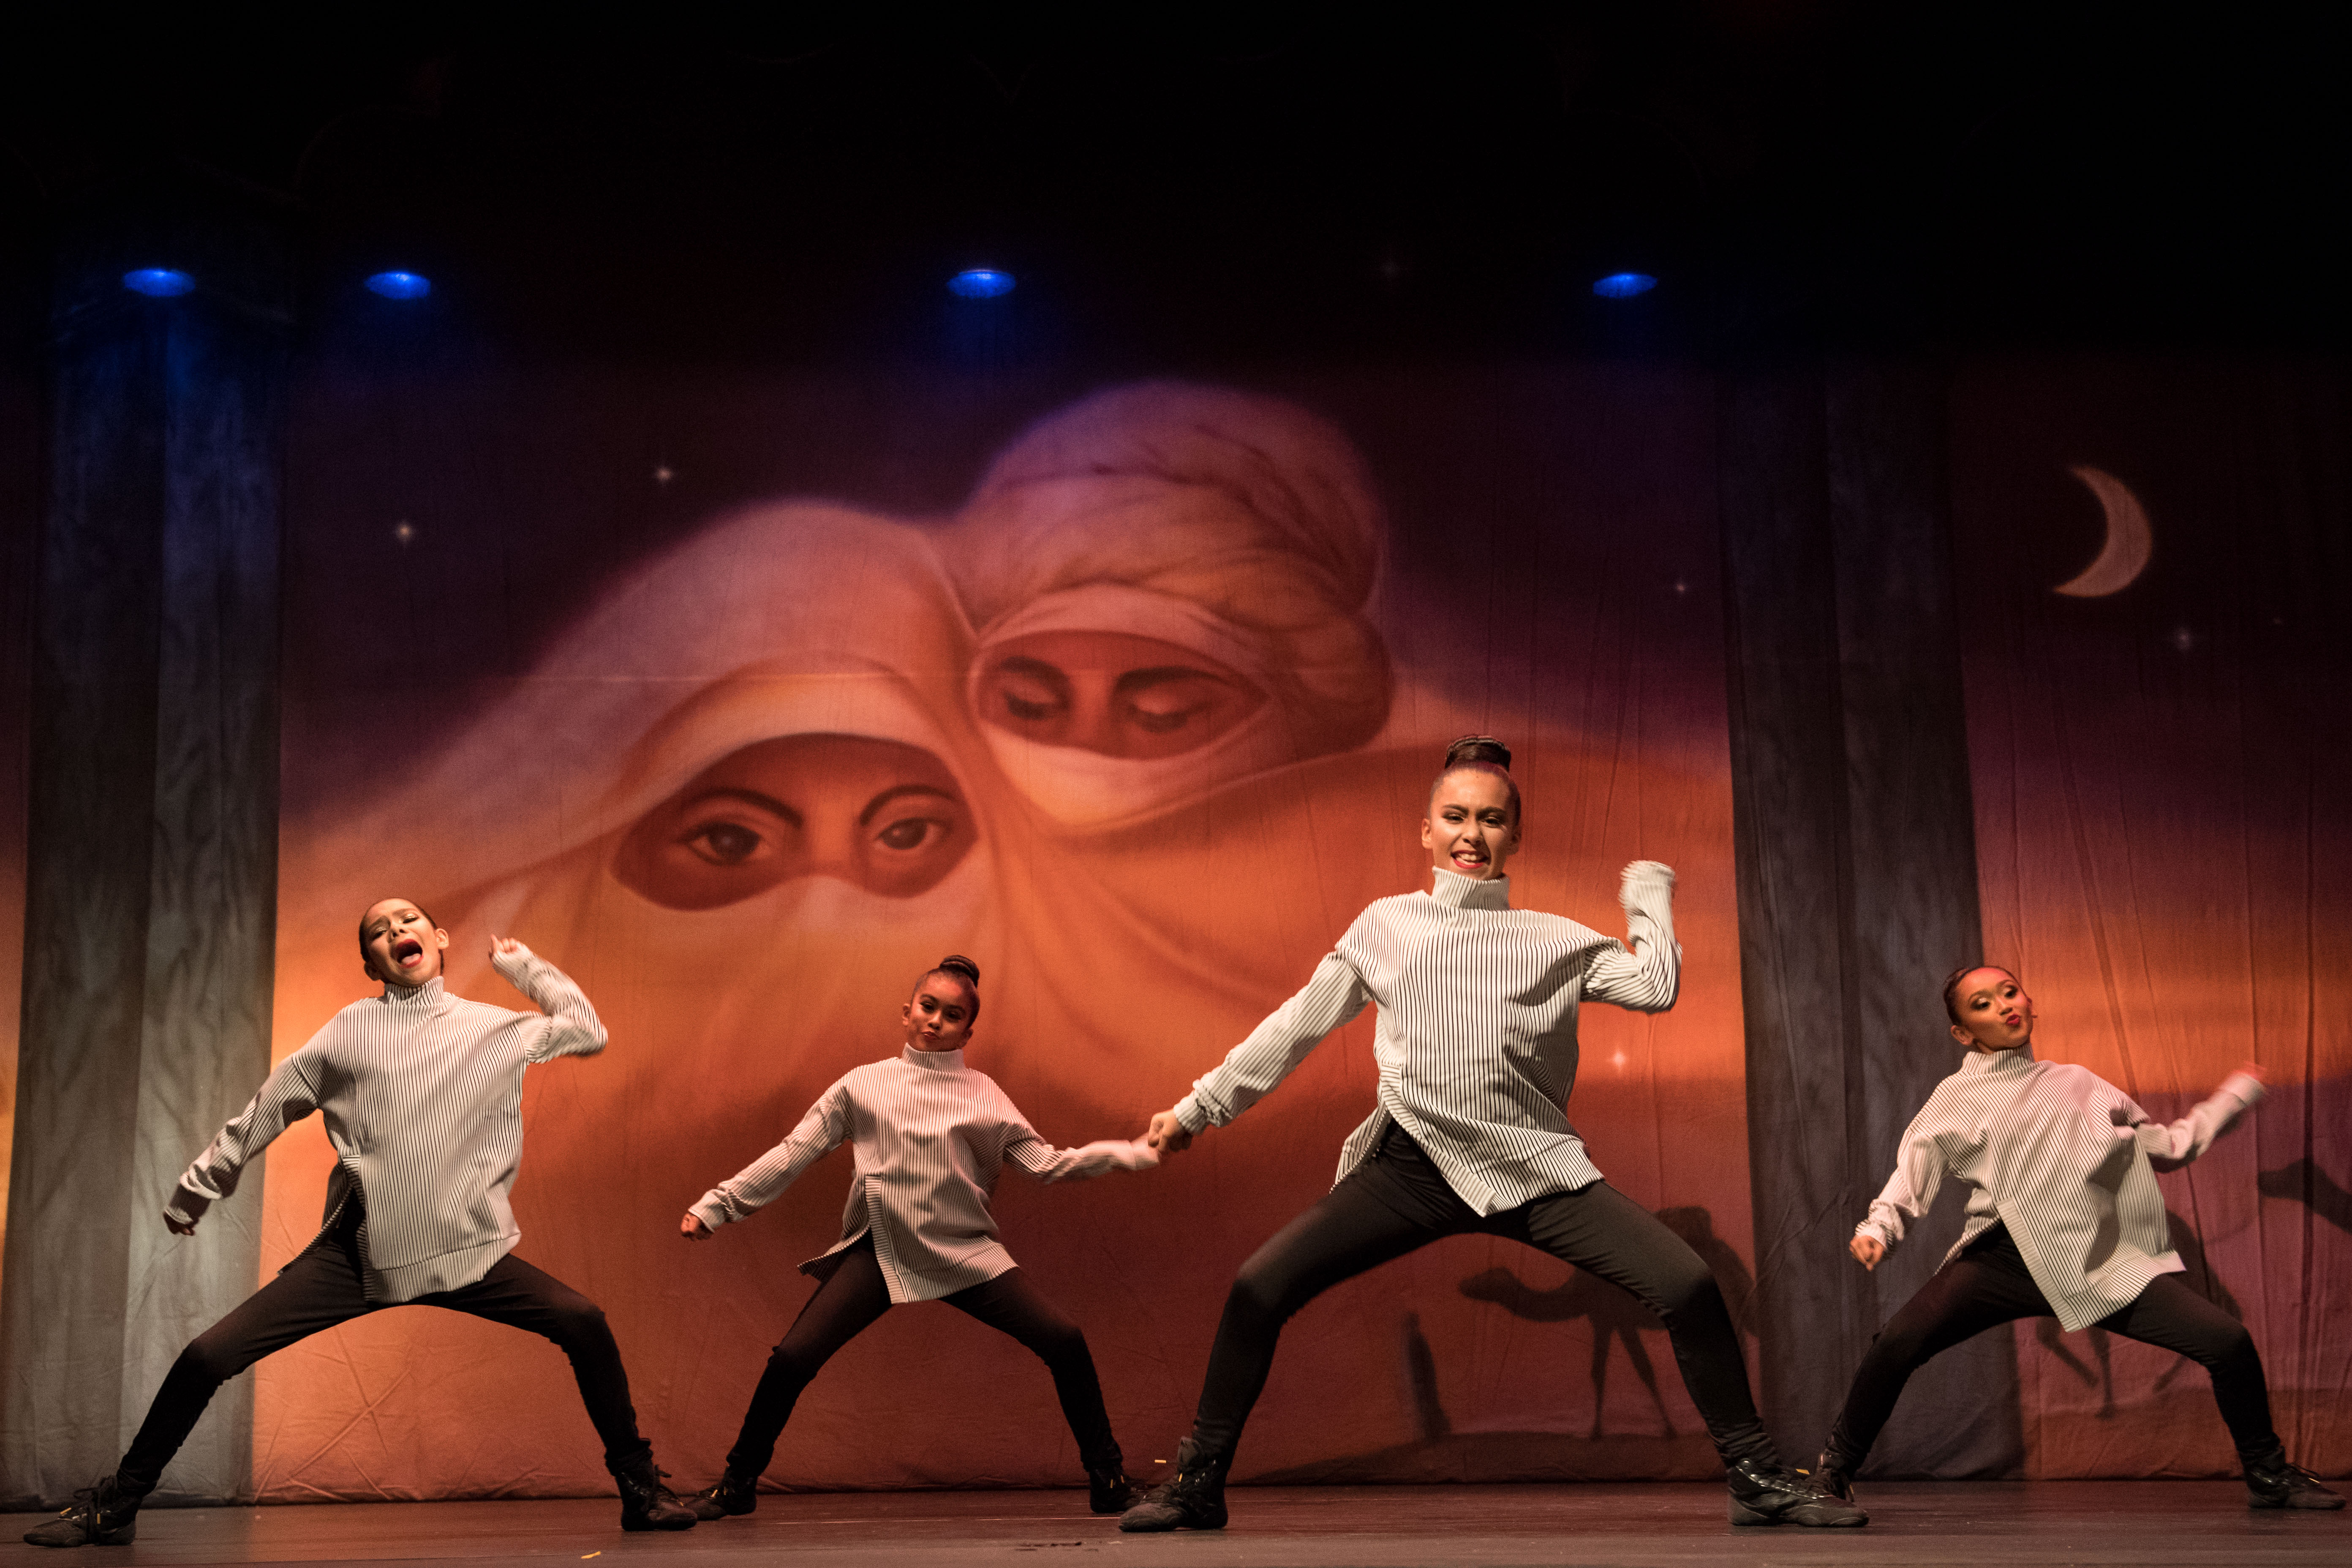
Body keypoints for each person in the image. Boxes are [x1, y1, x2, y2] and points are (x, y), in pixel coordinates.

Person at [1119, 736, 1864, 1533]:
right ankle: (1197, 1483)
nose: (1472, 834)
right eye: (1455, 817)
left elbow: (1655, 986)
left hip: (1529, 1168)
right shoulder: (1386, 926)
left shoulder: (1553, 939)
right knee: (1258, 1287)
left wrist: (1648, 891)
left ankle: (1755, 1477)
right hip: (1411, 1168)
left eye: (1492, 820)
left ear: (1515, 836)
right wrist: (1200, 1108)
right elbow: (1295, 1026)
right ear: (1427, 831)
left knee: (1686, 1284)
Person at [23, 899, 696, 1549]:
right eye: (378, 930)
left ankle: (640, 1491)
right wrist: (201, 1186)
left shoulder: (496, 1030)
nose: (396, 929)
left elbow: (587, 1029)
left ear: (439, 939)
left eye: (409, 920)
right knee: (206, 1357)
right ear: (373, 964)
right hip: (359, 1256)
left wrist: (526, 968)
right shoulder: (349, 1031)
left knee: (583, 1321)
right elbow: (270, 1105)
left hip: (467, 1250)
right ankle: (116, 1506)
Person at [1818, 964, 2343, 1512]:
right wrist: (1879, 1229)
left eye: (2009, 992)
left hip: (2092, 1260)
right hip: (2002, 1260)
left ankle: (2268, 1475)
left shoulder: (2081, 1084)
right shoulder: (1954, 1098)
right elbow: (1911, 1177)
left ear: (2029, 1001)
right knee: (1896, 1344)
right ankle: (1833, 1472)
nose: (2004, 1005)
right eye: (1983, 1004)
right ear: (1964, 1034)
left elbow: (2170, 1147)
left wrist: (2233, 1097)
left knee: (2228, 1342)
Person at [676, 954, 1157, 1520]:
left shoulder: (985, 1095)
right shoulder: (862, 1086)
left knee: (1065, 1341)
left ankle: (1109, 1483)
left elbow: (1048, 1165)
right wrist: (719, 1205)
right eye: (928, 1007)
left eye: (952, 1015)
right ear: (907, 1013)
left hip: (964, 1252)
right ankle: (737, 1486)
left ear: (967, 1033)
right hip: (884, 1248)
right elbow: (793, 1153)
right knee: (792, 1360)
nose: (936, 1021)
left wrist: (1130, 1153)